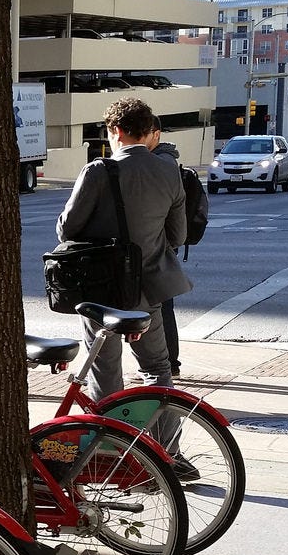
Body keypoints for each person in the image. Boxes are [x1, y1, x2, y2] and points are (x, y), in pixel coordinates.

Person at [57, 97, 197, 478]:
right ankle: (169, 455)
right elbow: (178, 234)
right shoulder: (170, 172)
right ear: (148, 131)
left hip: (102, 289)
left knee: (106, 372)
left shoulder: (99, 171)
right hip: (148, 288)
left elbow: (67, 229)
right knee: (157, 369)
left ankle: (115, 455)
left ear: (116, 131)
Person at [146, 118, 204, 378]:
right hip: (164, 246)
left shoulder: (162, 166)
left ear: (155, 135)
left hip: (159, 247)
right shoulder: (167, 163)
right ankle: (170, 364)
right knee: (161, 306)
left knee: (161, 307)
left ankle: (169, 365)